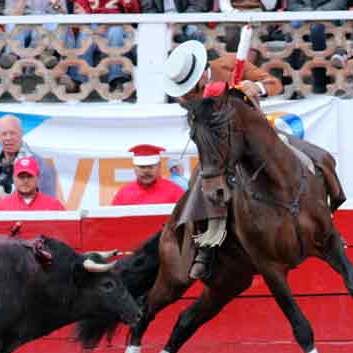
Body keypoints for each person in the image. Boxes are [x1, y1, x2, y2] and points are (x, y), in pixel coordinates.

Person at [162, 39, 282, 281]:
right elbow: (203, 128)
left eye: (195, 81)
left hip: (258, 137)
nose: (193, 88)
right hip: (222, 148)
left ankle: (322, 222)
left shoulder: (229, 64)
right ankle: (205, 247)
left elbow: (275, 83)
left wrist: (256, 88)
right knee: (200, 183)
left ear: (202, 69)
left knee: (306, 156)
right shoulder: (186, 96)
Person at [0, 114, 57, 211]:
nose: (8, 138)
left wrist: (8, 201)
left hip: (24, 223)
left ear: (21, 133)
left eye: (12, 133)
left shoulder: (40, 166)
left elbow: (48, 207)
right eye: (4, 134)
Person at [111, 144, 184, 206]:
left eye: (150, 166)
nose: (146, 171)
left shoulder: (175, 192)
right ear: (134, 168)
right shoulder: (123, 194)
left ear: (159, 166)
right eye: (142, 167)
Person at [0, 156, 66, 211]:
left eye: (29, 176)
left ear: (37, 178)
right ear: (14, 179)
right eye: (21, 177)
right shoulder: (1, 207)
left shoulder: (54, 206)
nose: (25, 181)